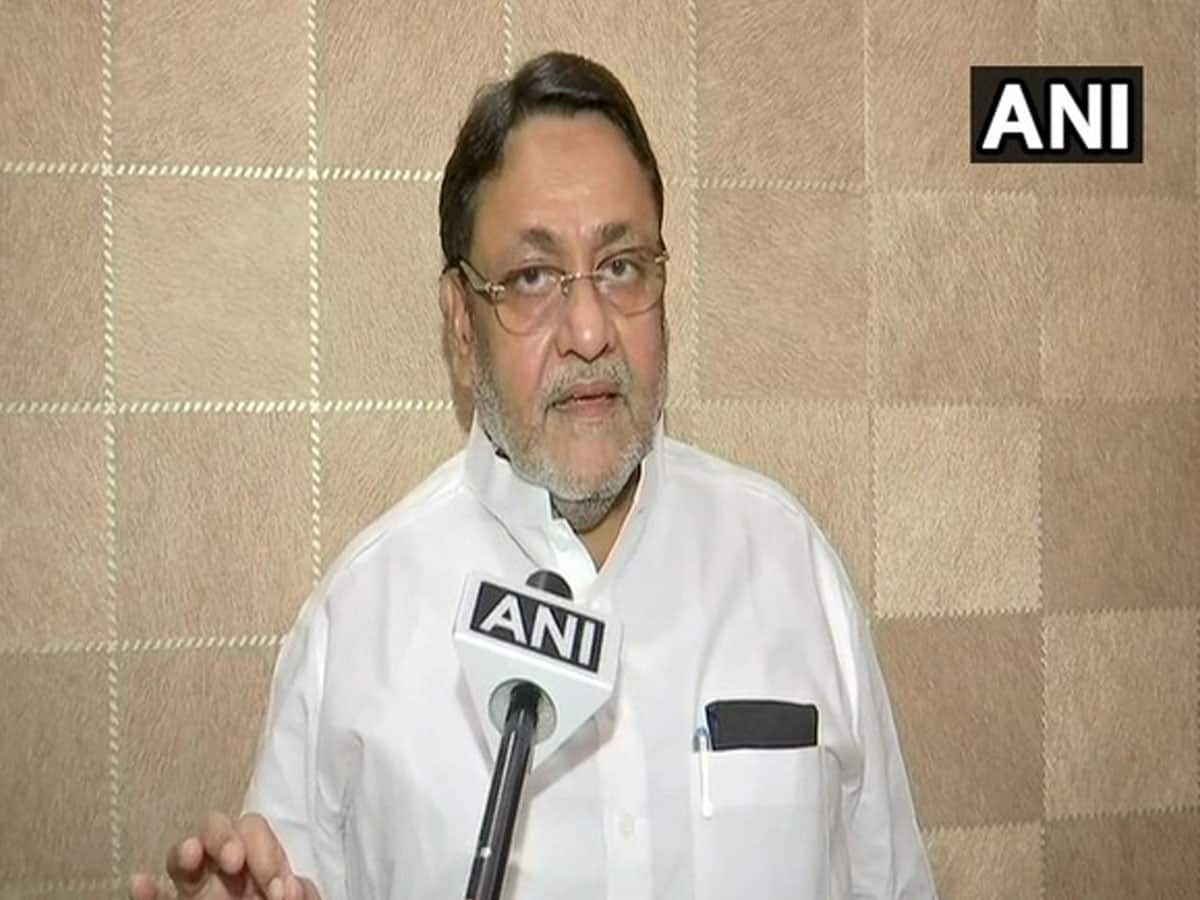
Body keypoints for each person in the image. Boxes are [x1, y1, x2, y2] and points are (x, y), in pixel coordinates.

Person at [130, 51, 937, 900]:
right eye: (532, 278)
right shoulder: (359, 625)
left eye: (621, 266)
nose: (589, 331)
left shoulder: (790, 567)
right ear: (460, 322)